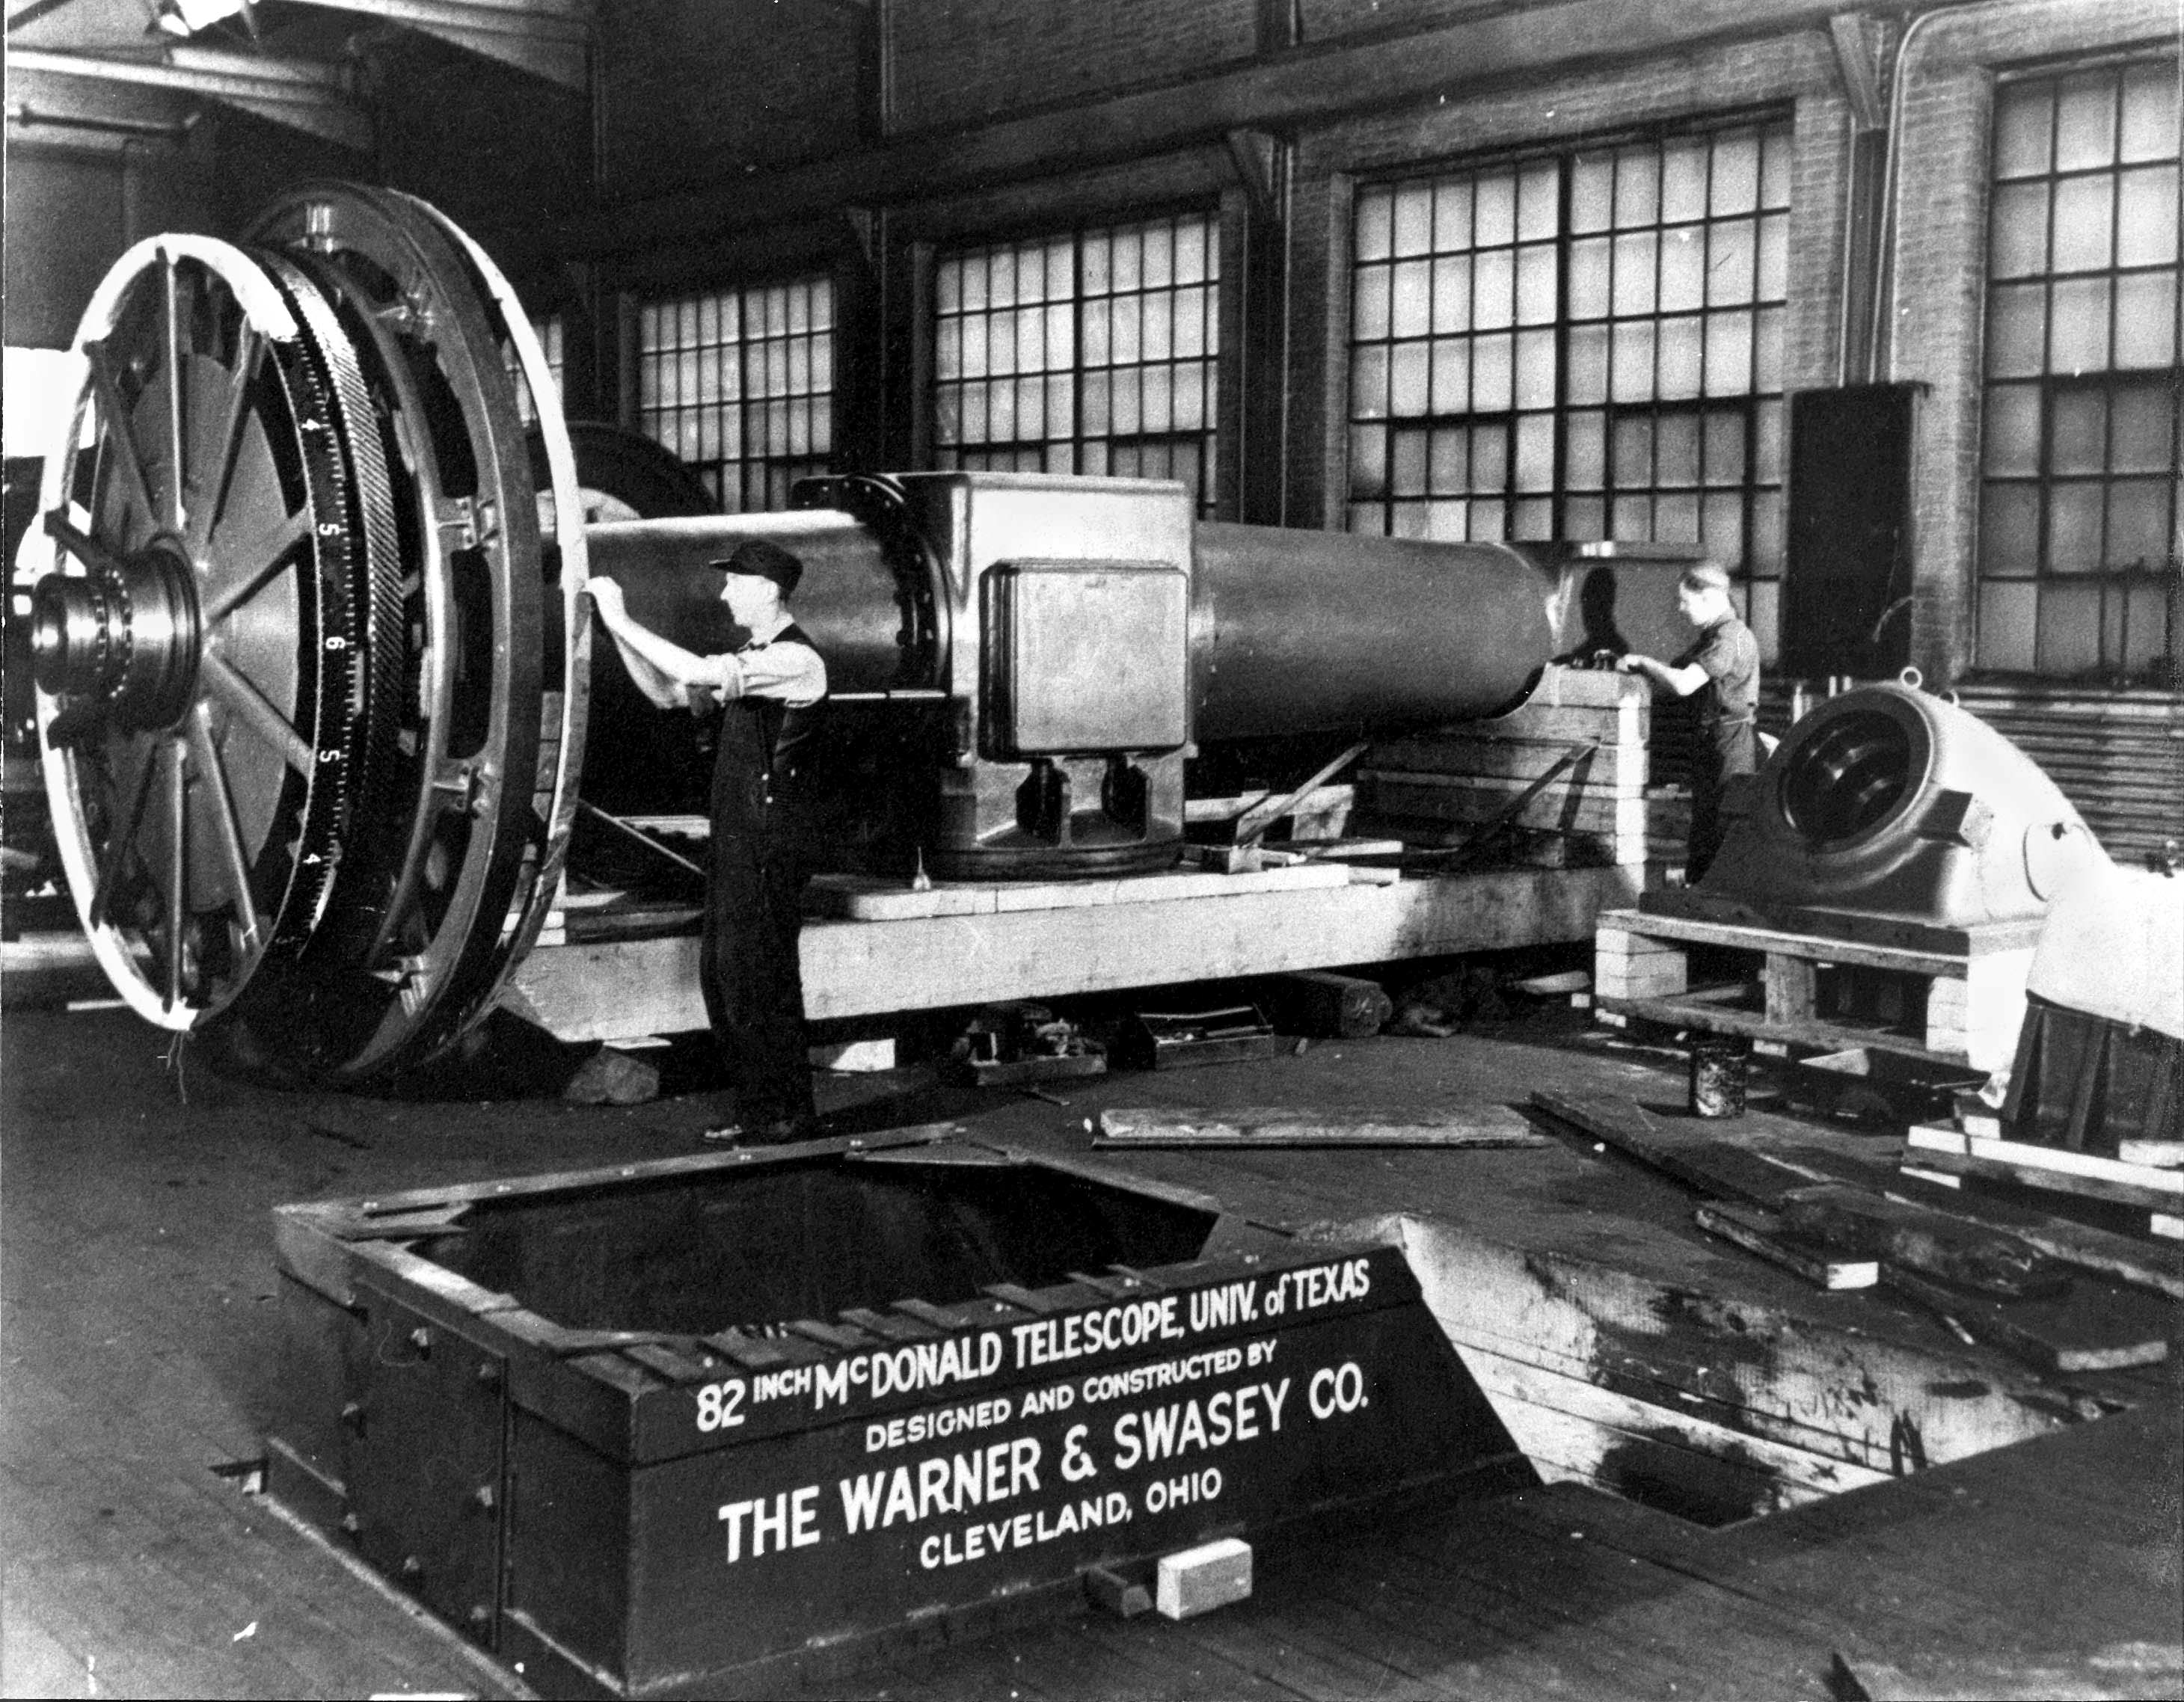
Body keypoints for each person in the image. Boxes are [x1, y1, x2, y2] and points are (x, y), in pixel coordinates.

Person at [585, 540, 829, 1143]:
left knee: (761, 976)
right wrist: (611, 631)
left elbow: (693, 672)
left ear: (768, 591)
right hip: (740, 836)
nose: (724, 593)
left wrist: (621, 617)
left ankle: (787, 1116)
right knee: (726, 976)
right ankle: (761, 1111)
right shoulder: (755, 656)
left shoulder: (797, 661)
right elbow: (669, 694)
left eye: (735, 583)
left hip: (770, 842)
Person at [1616, 562, 1758, 884]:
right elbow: (1675, 676)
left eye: (1686, 601)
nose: (1680, 609)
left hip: (1729, 746)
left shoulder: (1729, 637)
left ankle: (1715, 905)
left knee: (1720, 832)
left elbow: (1683, 684)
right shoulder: (1711, 637)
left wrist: (1644, 662)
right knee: (1705, 829)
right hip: (1713, 743)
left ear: (1708, 597)